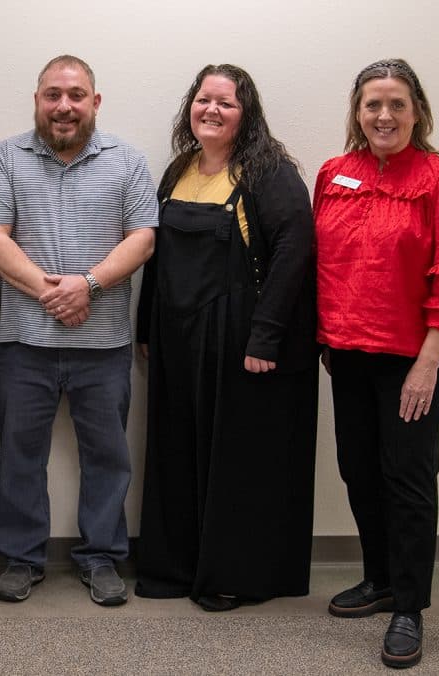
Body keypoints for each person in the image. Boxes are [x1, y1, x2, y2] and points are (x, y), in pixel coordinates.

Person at [314, 58, 439, 668]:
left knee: (407, 478)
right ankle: (380, 577)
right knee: (358, 471)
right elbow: (326, 265)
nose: (383, 116)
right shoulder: (334, 175)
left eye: (395, 104)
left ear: (416, 111)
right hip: (348, 354)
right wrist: (327, 340)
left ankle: (409, 607)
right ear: (357, 113)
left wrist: (427, 365)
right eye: (372, 105)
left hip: (415, 360)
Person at [133, 64, 319, 612]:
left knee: (237, 458)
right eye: (203, 100)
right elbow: (155, 253)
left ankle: (234, 572)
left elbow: (293, 255)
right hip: (178, 339)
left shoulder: (268, 171)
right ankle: (179, 564)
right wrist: (147, 328)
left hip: (240, 340)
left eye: (226, 103)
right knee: (178, 449)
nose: (211, 110)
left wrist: (265, 339)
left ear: (247, 114)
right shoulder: (178, 170)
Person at [0, 55, 157, 606]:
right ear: (37, 99)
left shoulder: (126, 161)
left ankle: (101, 556)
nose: (64, 106)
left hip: (102, 347)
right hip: (25, 344)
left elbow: (143, 238)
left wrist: (89, 286)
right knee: (18, 455)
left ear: (94, 102)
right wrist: (55, 294)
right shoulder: (7, 157)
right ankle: (22, 557)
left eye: (76, 95)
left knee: (107, 457)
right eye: (53, 94)